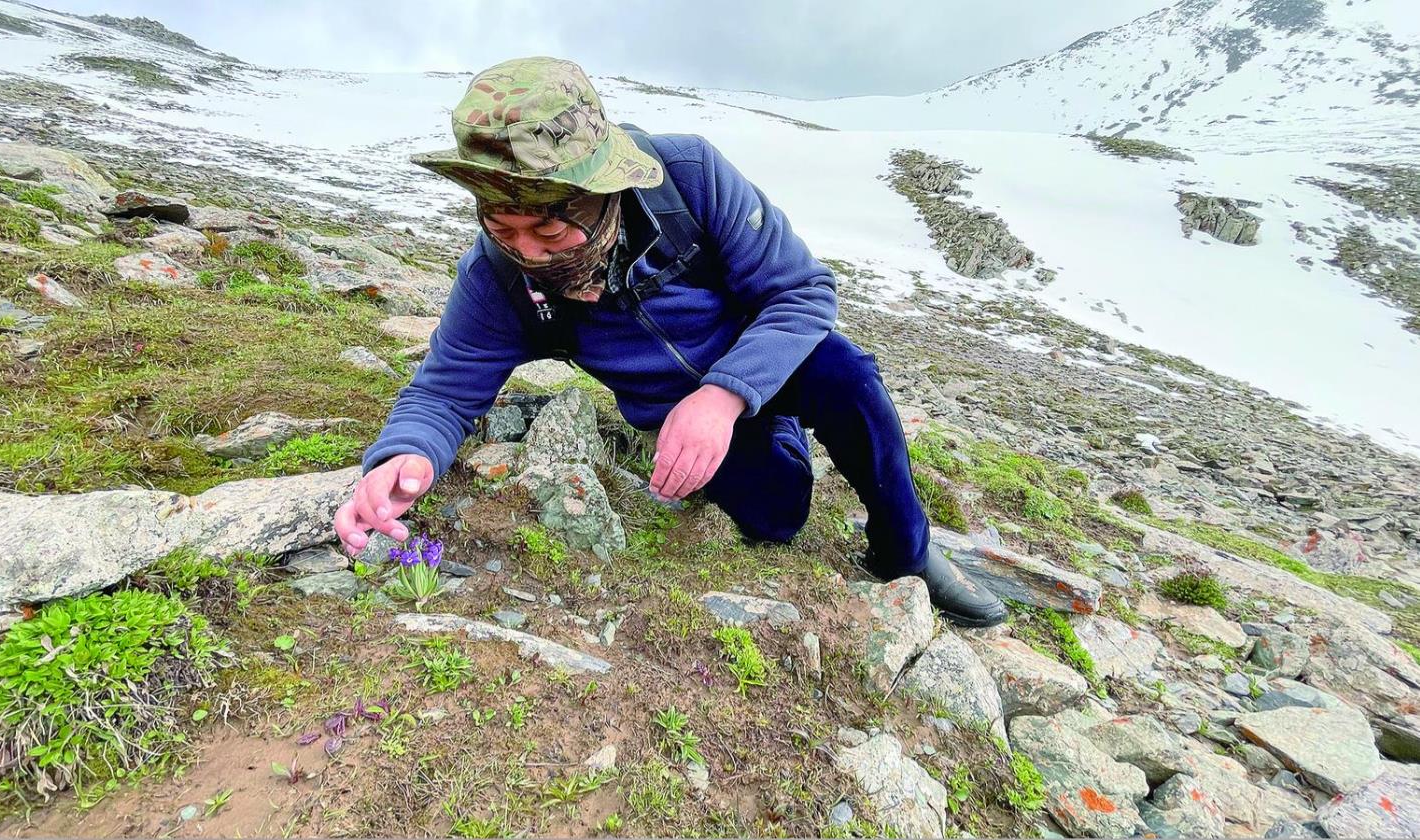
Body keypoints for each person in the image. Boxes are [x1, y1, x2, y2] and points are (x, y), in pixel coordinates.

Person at [333, 56, 1006, 627]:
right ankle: (775, 435)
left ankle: (906, 549)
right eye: (503, 229)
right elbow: (444, 392)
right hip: (669, 413)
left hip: (767, 358)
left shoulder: (689, 177)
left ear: (602, 193)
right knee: (775, 519)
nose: (528, 252)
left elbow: (803, 292)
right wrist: (403, 457)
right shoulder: (495, 278)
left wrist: (724, 394)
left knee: (846, 374)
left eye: (549, 231)